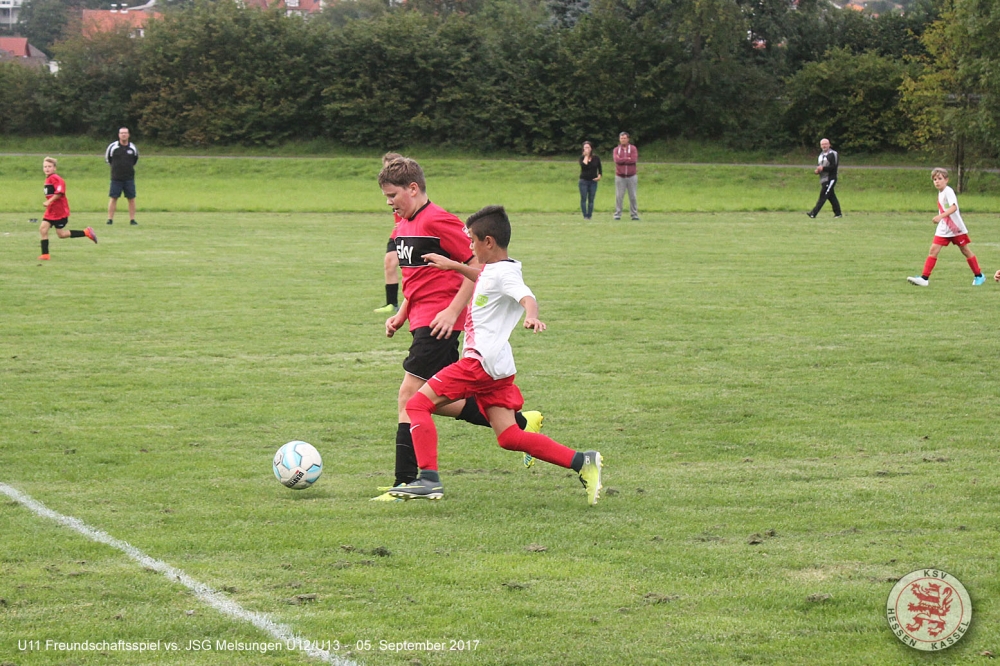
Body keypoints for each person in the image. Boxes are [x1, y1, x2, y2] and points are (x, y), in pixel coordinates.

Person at [391, 205, 603, 505]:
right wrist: (453, 266)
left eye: (472, 241)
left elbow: (526, 295)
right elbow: (482, 277)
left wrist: (532, 315)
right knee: (509, 437)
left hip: (478, 363)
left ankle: (428, 479)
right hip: (498, 366)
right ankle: (583, 461)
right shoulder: (496, 268)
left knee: (416, 404)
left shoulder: (506, 275)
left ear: (488, 242)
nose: (469, 247)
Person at [373, 158, 543, 501]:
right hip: (420, 320)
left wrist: (453, 311)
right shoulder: (403, 225)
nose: (389, 202)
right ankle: (521, 423)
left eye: (393, 195)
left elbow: (476, 264)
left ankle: (405, 482)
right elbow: (416, 279)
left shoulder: (438, 220)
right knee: (433, 401)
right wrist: (402, 312)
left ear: (413, 189)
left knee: (409, 396)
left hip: (438, 324)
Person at [908, 168, 985, 287]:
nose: (937, 181)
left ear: (946, 180)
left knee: (965, 250)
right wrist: (942, 218)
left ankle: (979, 275)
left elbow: (954, 207)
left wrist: (940, 216)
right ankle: (924, 278)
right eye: (935, 179)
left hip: (955, 228)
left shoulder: (948, 191)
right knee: (933, 250)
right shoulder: (940, 193)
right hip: (944, 228)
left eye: (940, 178)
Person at [38, 157, 97, 260]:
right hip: (51, 210)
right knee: (43, 229)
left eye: (49, 166)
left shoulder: (56, 178)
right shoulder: (48, 179)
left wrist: (49, 201)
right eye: (45, 166)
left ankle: (86, 232)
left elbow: (59, 193)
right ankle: (45, 255)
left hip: (59, 211)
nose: (47, 168)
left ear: (54, 168)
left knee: (61, 234)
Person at [374, 152, 404, 314]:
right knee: (389, 262)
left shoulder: (406, 188)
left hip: (409, 231)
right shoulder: (389, 188)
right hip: (397, 232)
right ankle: (392, 304)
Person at [105, 127, 139, 226]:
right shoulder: (113, 147)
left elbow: (135, 160)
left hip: (129, 178)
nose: (123, 135)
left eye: (125, 133)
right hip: (116, 178)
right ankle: (110, 219)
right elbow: (108, 160)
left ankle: (132, 219)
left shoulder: (132, 147)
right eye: (121, 133)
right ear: (119, 135)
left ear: (128, 135)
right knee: (113, 197)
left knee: (131, 198)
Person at [807, 138, 842, 219]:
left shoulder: (833, 154)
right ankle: (838, 213)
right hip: (823, 179)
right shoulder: (820, 156)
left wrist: (823, 168)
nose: (824, 146)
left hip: (830, 178)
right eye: (822, 144)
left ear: (829, 144)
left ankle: (813, 213)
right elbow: (820, 166)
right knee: (831, 196)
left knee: (823, 196)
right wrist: (817, 171)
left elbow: (834, 167)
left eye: (825, 144)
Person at [613, 131, 639, 221]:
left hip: (632, 176)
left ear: (628, 139)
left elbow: (633, 160)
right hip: (620, 176)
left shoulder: (633, 149)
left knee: (633, 196)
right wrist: (627, 158)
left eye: (624, 138)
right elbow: (617, 161)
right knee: (619, 196)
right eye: (621, 138)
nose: (623, 140)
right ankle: (617, 214)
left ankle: (634, 215)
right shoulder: (616, 150)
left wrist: (622, 159)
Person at [578, 141, 602, 219]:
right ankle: (585, 215)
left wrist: (599, 176)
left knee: (591, 199)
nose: (587, 149)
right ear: (583, 149)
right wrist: (586, 156)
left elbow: (600, 168)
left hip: (593, 181)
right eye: (585, 147)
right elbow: (584, 166)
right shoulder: (581, 158)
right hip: (583, 181)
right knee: (584, 198)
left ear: (591, 148)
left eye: (588, 147)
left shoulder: (596, 158)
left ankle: (590, 215)